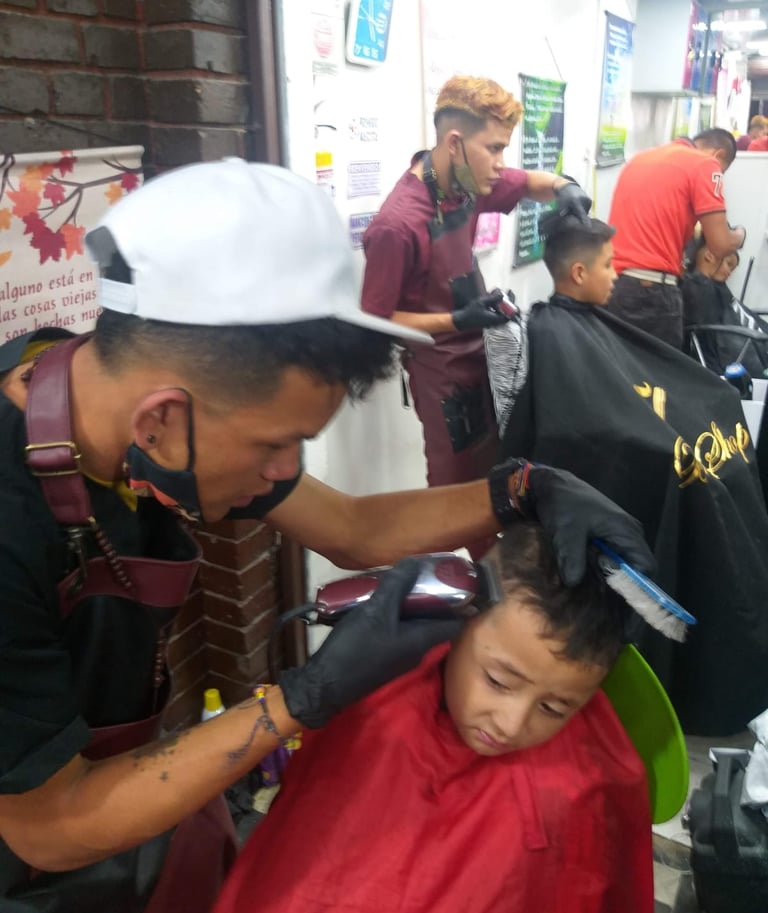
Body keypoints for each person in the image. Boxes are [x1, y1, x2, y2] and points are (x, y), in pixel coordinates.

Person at [0, 159, 654, 913]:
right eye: (274, 446)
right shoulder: (14, 526)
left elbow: (351, 527)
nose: (285, 474)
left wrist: (523, 489)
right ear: (160, 419)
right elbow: (49, 828)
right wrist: (302, 699)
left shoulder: (104, 384)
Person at [213, 521, 655, 913]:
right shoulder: (374, 699)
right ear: (459, 621)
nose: (511, 724)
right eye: (499, 681)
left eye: (554, 709)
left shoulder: (587, 784)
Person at [490, 210, 768, 736]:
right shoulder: (548, 334)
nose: (616, 275)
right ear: (578, 274)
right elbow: (578, 426)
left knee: (720, 409)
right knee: (693, 475)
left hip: (652, 432)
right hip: (629, 456)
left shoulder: (593, 325)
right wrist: (662, 443)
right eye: (609, 265)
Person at [360, 75, 592, 500]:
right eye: (495, 148)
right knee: (454, 492)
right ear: (455, 143)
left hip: (484, 353)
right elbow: (376, 319)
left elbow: (530, 182)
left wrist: (566, 188)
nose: (501, 162)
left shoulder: (465, 184)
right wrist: (455, 319)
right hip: (443, 377)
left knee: (494, 476)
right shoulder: (397, 224)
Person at [604, 128, 746, 349]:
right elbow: (720, 244)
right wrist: (739, 234)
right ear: (718, 154)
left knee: (617, 366)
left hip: (610, 286)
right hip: (650, 291)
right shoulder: (706, 164)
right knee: (658, 369)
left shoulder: (639, 159)